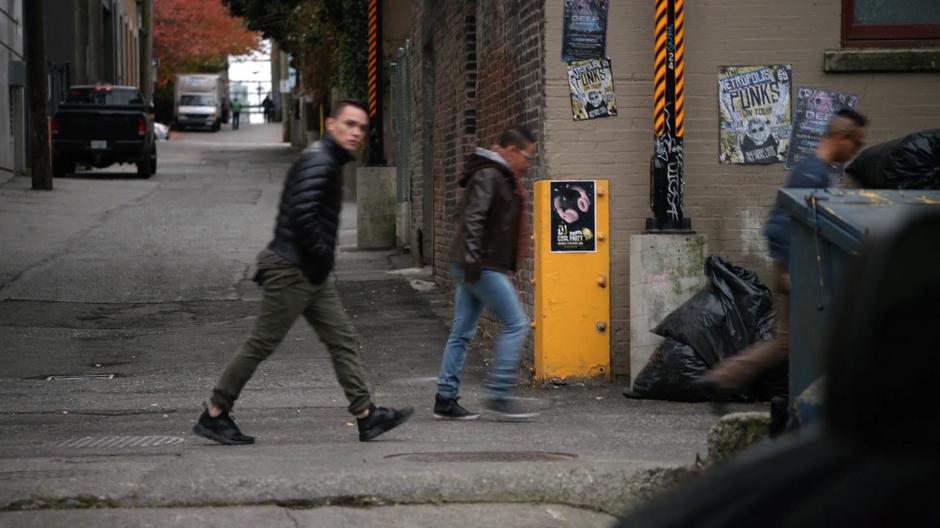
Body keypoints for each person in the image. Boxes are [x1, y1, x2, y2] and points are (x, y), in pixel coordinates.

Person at [193, 100, 413, 444]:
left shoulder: (325, 159)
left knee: (341, 339)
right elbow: (304, 214)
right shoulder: (320, 161)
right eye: (350, 124)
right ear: (331, 125)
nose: (356, 132)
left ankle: (366, 415)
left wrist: (320, 263)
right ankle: (216, 412)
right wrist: (323, 255)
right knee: (261, 343)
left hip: (308, 270)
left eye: (362, 127)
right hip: (292, 269)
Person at [701, 108, 868, 393]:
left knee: (789, 341)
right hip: (799, 269)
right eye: (856, 143)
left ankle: (723, 379)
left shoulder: (814, 170)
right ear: (842, 137)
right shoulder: (813, 174)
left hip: (800, 267)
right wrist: (791, 268)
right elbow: (779, 224)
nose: (856, 151)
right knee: (813, 338)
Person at [433, 125, 540, 421]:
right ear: (510, 151)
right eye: (527, 157)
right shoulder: (491, 176)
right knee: (517, 323)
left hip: (475, 262)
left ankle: (445, 397)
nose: (528, 164)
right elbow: (474, 220)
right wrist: (473, 264)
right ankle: (499, 393)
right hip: (479, 263)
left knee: (462, 332)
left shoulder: (500, 176)